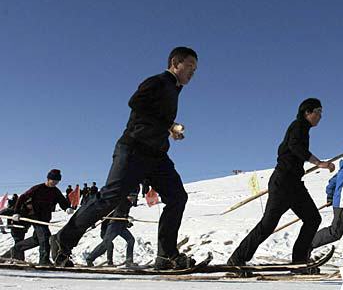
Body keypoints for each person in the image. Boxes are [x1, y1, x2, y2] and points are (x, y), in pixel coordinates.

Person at [50, 46, 198, 269]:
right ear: (175, 63)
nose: (192, 73)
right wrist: (168, 124)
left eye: (195, 69)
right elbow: (136, 103)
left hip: (157, 156)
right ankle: (62, 242)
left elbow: (150, 116)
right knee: (108, 199)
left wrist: (168, 131)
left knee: (177, 197)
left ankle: (166, 255)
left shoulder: (175, 90)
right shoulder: (158, 82)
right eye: (189, 67)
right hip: (134, 150)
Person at [227, 98, 335, 272]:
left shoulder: (303, 129)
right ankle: (237, 259)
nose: (320, 116)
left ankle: (299, 261)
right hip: (283, 183)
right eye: (318, 111)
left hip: (294, 184)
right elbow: (294, 146)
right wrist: (318, 162)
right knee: (268, 224)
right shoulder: (298, 125)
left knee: (313, 218)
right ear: (307, 112)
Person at [1, 169, 73, 265]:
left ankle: (17, 248)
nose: (55, 183)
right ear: (48, 179)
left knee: (36, 239)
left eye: (57, 181)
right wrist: (16, 212)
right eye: (53, 180)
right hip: (34, 216)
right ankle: (44, 260)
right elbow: (22, 197)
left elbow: (62, 201)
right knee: (44, 236)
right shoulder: (38, 188)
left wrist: (67, 208)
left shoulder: (55, 191)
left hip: (44, 218)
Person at [85, 192, 138, 267]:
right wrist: (126, 217)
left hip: (121, 226)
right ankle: (90, 259)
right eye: (132, 197)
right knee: (106, 243)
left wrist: (127, 222)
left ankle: (129, 261)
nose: (133, 199)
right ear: (128, 196)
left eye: (134, 198)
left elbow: (123, 216)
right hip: (114, 225)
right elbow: (118, 213)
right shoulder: (122, 202)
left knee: (131, 240)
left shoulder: (128, 204)